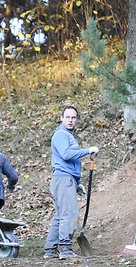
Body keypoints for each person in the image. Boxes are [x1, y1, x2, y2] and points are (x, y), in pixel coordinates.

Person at [44, 106, 99, 259]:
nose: (70, 120)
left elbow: (72, 162)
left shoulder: (68, 135)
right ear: (61, 118)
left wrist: (78, 182)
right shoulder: (61, 134)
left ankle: (50, 250)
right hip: (63, 179)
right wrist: (87, 150)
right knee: (69, 213)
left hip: (65, 179)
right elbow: (67, 155)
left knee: (60, 215)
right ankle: (65, 249)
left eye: (73, 117)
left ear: (77, 120)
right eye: (67, 117)